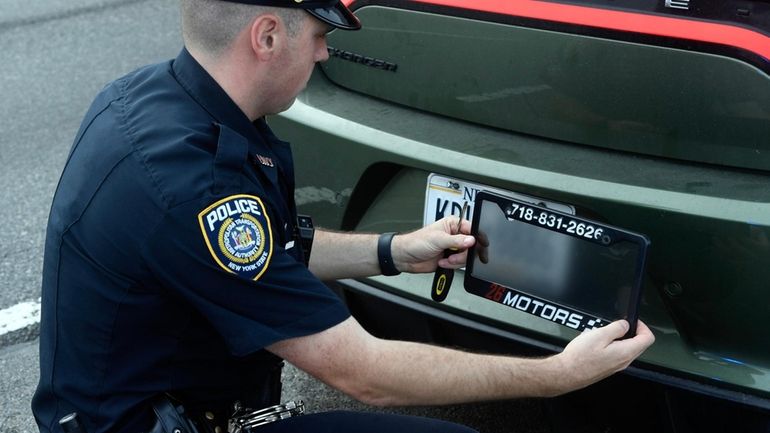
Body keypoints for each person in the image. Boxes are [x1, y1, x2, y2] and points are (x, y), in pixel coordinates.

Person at [32, 0, 655, 432]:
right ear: (267, 36)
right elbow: (364, 374)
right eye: (319, 34)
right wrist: (559, 375)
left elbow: (269, 249)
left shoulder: (152, 98)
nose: (326, 53)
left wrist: (395, 251)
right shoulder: (193, 188)